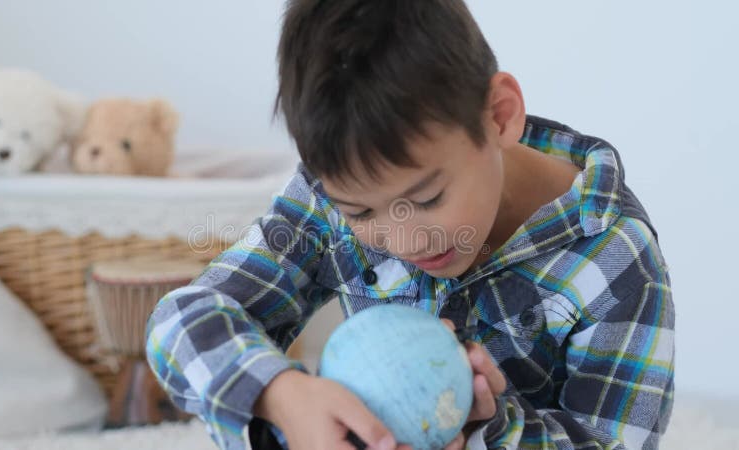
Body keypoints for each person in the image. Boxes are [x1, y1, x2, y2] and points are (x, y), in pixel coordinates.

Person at [145, 1, 674, 449]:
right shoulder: (333, 195)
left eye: (427, 198)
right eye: (361, 214)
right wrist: (279, 394)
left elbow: (611, 439)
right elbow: (180, 323)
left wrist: (491, 427)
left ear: (499, 115)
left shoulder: (617, 260)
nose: (404, 242)